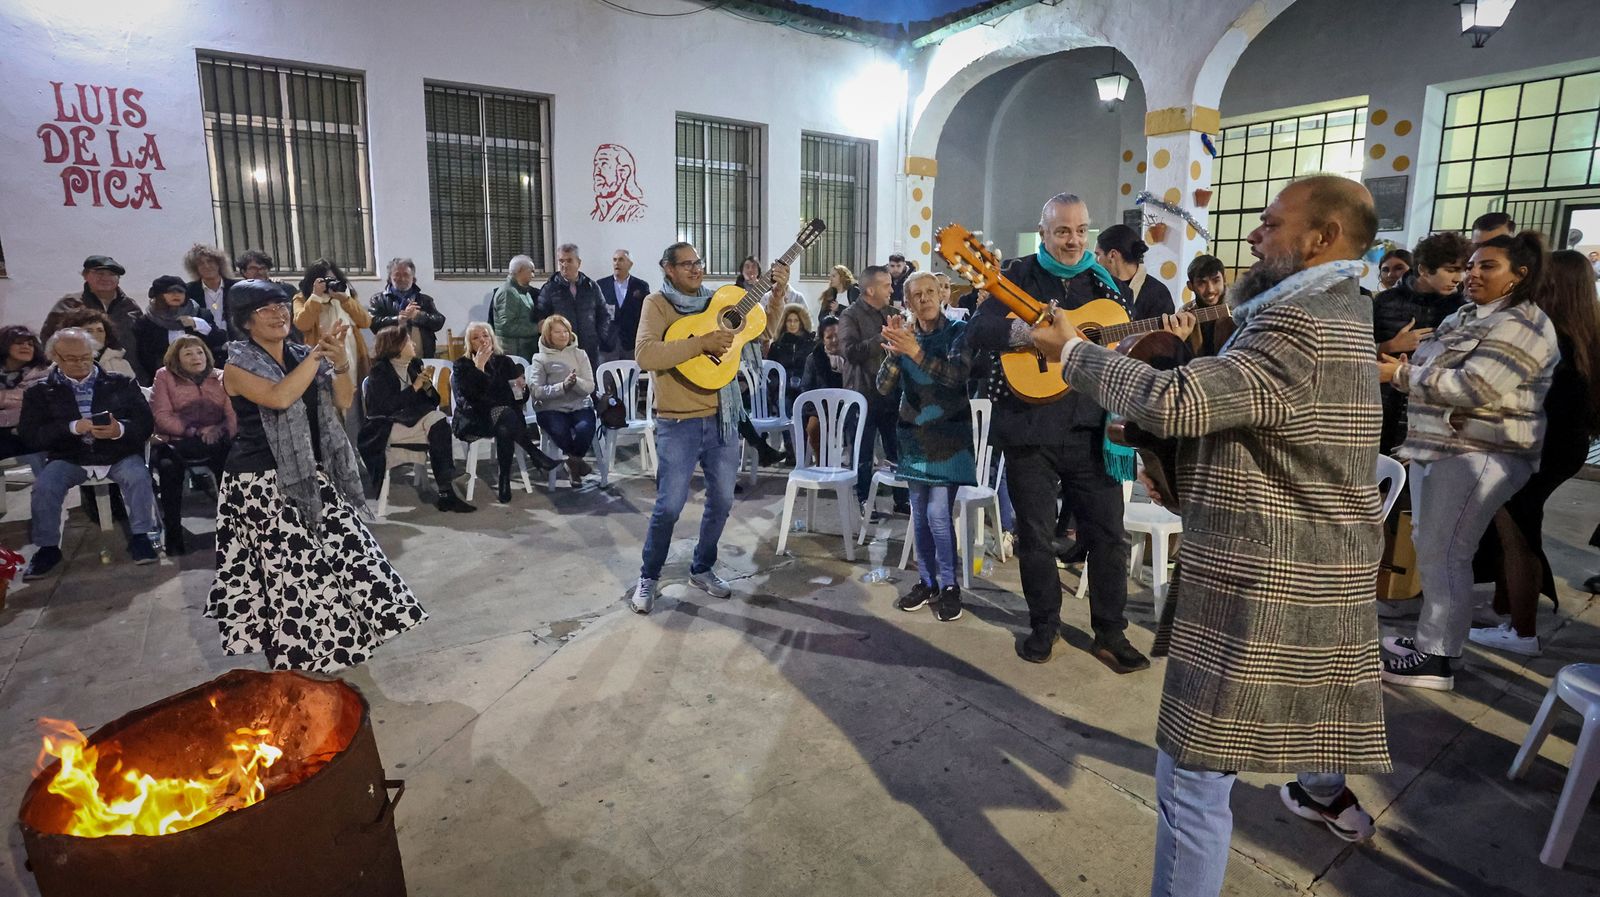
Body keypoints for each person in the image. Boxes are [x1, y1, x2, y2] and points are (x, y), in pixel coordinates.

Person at [1030, 176, 1390, 895]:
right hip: (1307, 556)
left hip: (1270, 571)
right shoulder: (1338, 305)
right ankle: (1321, 788)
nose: (1254, 234)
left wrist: (1073, 354)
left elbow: (1181, 399)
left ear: (1323, 238)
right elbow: (1264, 423)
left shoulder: (1301, 322)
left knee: (1191, 774)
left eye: (1272, 223)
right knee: (1260, 743)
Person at [967, 192, 1144, 673]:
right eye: (1063, 230)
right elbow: (978, 333)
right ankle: (1045, 625)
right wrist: (1033, 337)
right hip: (1029, 428)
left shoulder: (1106, 285)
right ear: (1043, 231)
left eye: (1081, 230)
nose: (1073, 240)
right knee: (1035, 537)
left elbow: (1125, 344)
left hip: (1092, 428)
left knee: (1109, 535)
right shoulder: (1016, 276)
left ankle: (1111, 632)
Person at [211, 280, 427, 672]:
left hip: (311, 472)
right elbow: (280, 396)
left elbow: (343, 399)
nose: (278, 314)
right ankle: (300, 664)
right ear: (245, 322)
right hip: (260, 483)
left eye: (281, 306)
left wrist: (339, 361)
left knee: (354, 553)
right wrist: (316, 356)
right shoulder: (236, 366)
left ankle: (336, 649)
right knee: (294, 577)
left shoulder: (299, 354)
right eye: (265, 309)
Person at [1378, 232, 1560, 690]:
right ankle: (1433, 639)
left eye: (1487, 266)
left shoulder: (1524, 324)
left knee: (1447, 552)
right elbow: (1436, 367)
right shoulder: (1464, 315)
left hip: (1479, 452)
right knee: (1433, 547)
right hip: (1438, 446)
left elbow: (1477, 386)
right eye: (1471, 265)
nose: (1472, 274)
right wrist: (1416, 372)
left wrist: (1401, 373)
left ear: (1520, 275)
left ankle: (1437, 659)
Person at [1469, 250, 1600, 656]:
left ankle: (1522, 632)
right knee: (1516, 529)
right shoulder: (1584, 334)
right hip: (1562, 446)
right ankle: (1505, 609)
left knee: (1518, 537)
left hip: (1536, 448)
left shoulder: (1549, 337)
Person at [630, 242, 747, 614]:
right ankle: (649, 576)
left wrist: (776, 296)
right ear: (668, 268)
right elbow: (646, 354)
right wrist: (700, 344)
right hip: (678, 421)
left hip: (721, 417)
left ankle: (702, 567)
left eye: (699, 262)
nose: (696, 269)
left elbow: (759, 333)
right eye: (686, 264)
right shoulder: (657, 304)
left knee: (723, 501)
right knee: (669, 506)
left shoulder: (718, 302)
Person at [20, 328, 159, 579]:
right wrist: (72, 427)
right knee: (45, 486)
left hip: (117, 452)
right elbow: (31, 435)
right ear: (55, 357)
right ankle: (47, 548)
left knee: (138, 476)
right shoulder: (39, 392)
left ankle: (142, 537)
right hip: (69, 455)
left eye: (85, 356)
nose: (81, 363)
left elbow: (145, 423)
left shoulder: (121, 382)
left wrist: (119, 429)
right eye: (72, 358)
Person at [878, 271, 976, 623]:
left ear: (942, 295)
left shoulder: (958, 332)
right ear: (907, 302)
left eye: (930, 291)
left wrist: (915, 352)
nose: (925, 298)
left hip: (949, 438)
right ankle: (927, 581)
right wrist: (894, 353)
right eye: (916, 294)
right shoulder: (906, 335)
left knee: (937, 514)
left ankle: (950, 585)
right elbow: (884, 386)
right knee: (919, 515)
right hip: (914, 437)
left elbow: (956, 377)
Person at [1371, 231, 1471, 454]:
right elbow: (1357, 349)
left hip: (1430, 407)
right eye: (1451, 270)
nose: (1459, 278)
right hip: (1380, 402)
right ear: (1424, 270)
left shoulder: (1461, 309)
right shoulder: (1386, 301)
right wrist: (1390, 346)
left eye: (1463, 270)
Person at [358, 326, 474, 513]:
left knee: (438, 420)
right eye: (408, 341)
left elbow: (434, 401)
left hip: (413, 420)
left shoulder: (414, 365)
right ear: (396, 346)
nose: (413, 344)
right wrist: (414, 387)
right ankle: (447, 487)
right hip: (385, 426)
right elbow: (384, 407)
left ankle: (447, 489)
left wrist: (426, 386)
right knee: (438, 427)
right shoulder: (379, 372)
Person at [452, 321, 558, 504]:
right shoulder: (462, 365)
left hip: (505, 420)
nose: (482, 340)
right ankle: (534, 454)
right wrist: (479, 368)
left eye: (485, 335)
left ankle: (504, 480)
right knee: (506, 415)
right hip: (475, 420)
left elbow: (517, 399)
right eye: (476, 338)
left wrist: (521, 390)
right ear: (470, 343)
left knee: (505, 425)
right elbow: (471, 399)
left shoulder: (505, 362)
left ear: (492, 339)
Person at [149, 335, 235, 555]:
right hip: (176, 440)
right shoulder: (164, 376)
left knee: (231, 462)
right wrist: (193, 430)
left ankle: (233, 528)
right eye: (188, 353)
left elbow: (233, 415)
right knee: (168, 469)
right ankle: (174, 534)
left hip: (214, 438)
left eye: (199, 352)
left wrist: (219, 429)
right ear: (176, 358)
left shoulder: (221, 376)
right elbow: (161, 416)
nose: (196, 357)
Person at [837, 265, 908, 513]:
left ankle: (902, 500)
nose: (891, 290)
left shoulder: (893, 313)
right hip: (862, 394)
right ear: (870, 290)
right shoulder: (850, 316)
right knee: (863, 452)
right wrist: (883, 337)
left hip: (892, 393)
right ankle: (865, 502)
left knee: (896, 449)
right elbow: (850, 352)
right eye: (886, 285)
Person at [43, 255, 148, 382]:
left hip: (126, 376)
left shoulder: (130, 307)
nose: (106, 278)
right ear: (85, 275)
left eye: (112, 274)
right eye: (99, 273)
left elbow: (144, 345)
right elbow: (49, 341)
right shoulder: (69, 305)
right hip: (77, 376)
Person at [291, 259, 370, 412]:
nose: (330, 284)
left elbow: (365, 322)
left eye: (333, 279)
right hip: (322, 362)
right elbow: (302, 324)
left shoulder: (346, 296)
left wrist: (345, 300)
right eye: (325, 281)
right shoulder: (302, 298)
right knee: (329, 405)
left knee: (356, 405)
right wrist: (316, 297)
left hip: (352, 358)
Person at [529, 314, 598, 486]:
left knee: (585, 429)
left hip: (579, 405)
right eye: (558, 332)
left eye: (566, 331)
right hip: (551, 408)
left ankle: (572, 462)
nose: (563, 335)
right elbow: (536, 391)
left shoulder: (580, 354)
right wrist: (562, 387)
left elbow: (590, 386)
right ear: (548, 335)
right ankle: (577, 464)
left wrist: (575, 382)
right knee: (559, 429)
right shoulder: (539, 358)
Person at [136, 275, 229, 383]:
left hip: (203, 378)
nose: (176, 295)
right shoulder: (147, 322)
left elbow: (220, 340)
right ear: (158, 295)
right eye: (170, 292)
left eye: (180, 291)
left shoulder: (201, 314)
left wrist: (199, 325)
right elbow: (144, 356)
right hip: (166, 379)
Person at [537, 244, 608, 372]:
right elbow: (541, 318)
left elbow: (604, 314)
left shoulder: (591, 286)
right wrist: (553, 342)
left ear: (578, 263)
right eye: (561, 261)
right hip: (562, 349)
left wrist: (599, 337)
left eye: (569, 260)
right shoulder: (550, 288)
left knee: (589, 381)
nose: (564, 265)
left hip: (589, 348)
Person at [1095, 224, 1176, 320]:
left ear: (1112, 255)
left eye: (1098, 254)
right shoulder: (1094, 286)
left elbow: (1164, 329)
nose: (1095, 260)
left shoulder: (1158, 293)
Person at [368, 257, 445, 359]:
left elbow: (439, 322)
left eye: (406, 275)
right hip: (390, 357)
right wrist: (398, 319)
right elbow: (373, 323)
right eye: (397, 275)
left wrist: (418, 316)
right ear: (390, 278)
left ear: (413, 279)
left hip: (422, 356)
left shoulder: (425, 300)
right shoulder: (378, 299)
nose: (402, 279)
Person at [0, 326, 50, 464]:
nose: (26, 347)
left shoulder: (45, 374)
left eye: (30, 344)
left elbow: (36, 407)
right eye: (19, 343)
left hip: (30, 436)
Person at [799, 315, 844, 463]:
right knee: (814, 428)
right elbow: (806, 387)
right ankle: (822, 463)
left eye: (837, 335)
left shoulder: (851, 355)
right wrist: (817, 408)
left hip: (846, 406)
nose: (834, 340)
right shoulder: (813, 359)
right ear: (823, 339)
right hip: (821, 407)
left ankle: (853, 465)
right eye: (829, 337)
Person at [596, 249, 651, 363]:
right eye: (614, 260)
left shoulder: (641, 286)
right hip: (607, 344)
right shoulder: (601, 284)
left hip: (631, 343)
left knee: (631, 373)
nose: (617, 263)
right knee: (606, 373)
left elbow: (647, 313)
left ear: (630, 264)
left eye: (621, 260)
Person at [1174, 254, 1234, 357]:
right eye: (1201, 283)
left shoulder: (1240, 306)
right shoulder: (1186, 312)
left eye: (1216, 281)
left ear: (1224, 279)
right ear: (1190, 286)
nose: (1210, 289)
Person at [51, 308, 136, 380]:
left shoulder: (120, 365)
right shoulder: (60, 364)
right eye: (89, 331)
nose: (96, 335)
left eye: (100, 330)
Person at [491, 255, 541, 360]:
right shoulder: (508, 292)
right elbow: (506, 326)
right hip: (513, 354)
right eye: (531, 271)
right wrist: (537, 328)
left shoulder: (523, 292)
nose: (533, 275)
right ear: (520, 270)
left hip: (524, 350)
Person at [184, 243, 239, 333]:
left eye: (210, 261)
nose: (206, 266)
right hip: (203, 339)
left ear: (219, 264)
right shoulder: (189, 291)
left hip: (235, 338)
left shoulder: (236, 287)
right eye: (201, 263)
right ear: (195, 268)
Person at [766, 303, 815, 399]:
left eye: (796, 320)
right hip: (782, 393)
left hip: (807, 392)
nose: (792, 324)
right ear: (784, 323)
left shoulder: (811, 344)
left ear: (801, 322)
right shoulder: (776, 346)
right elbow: (771, 373)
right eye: (789, 321)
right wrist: (781, 385)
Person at [227, 250, 275, 340]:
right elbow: (236, 323)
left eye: (263, 268)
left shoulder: (283, 289)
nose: (259, 272)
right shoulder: (237, 294)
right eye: (253, 268)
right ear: (243, 272)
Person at [760, 261, 806, 344]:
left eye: (783, 272)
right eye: (776, 272)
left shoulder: (798, 297)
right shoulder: (765, 297)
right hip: (772, 344)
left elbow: (806, 322)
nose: (779, 274)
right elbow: (763, 327)